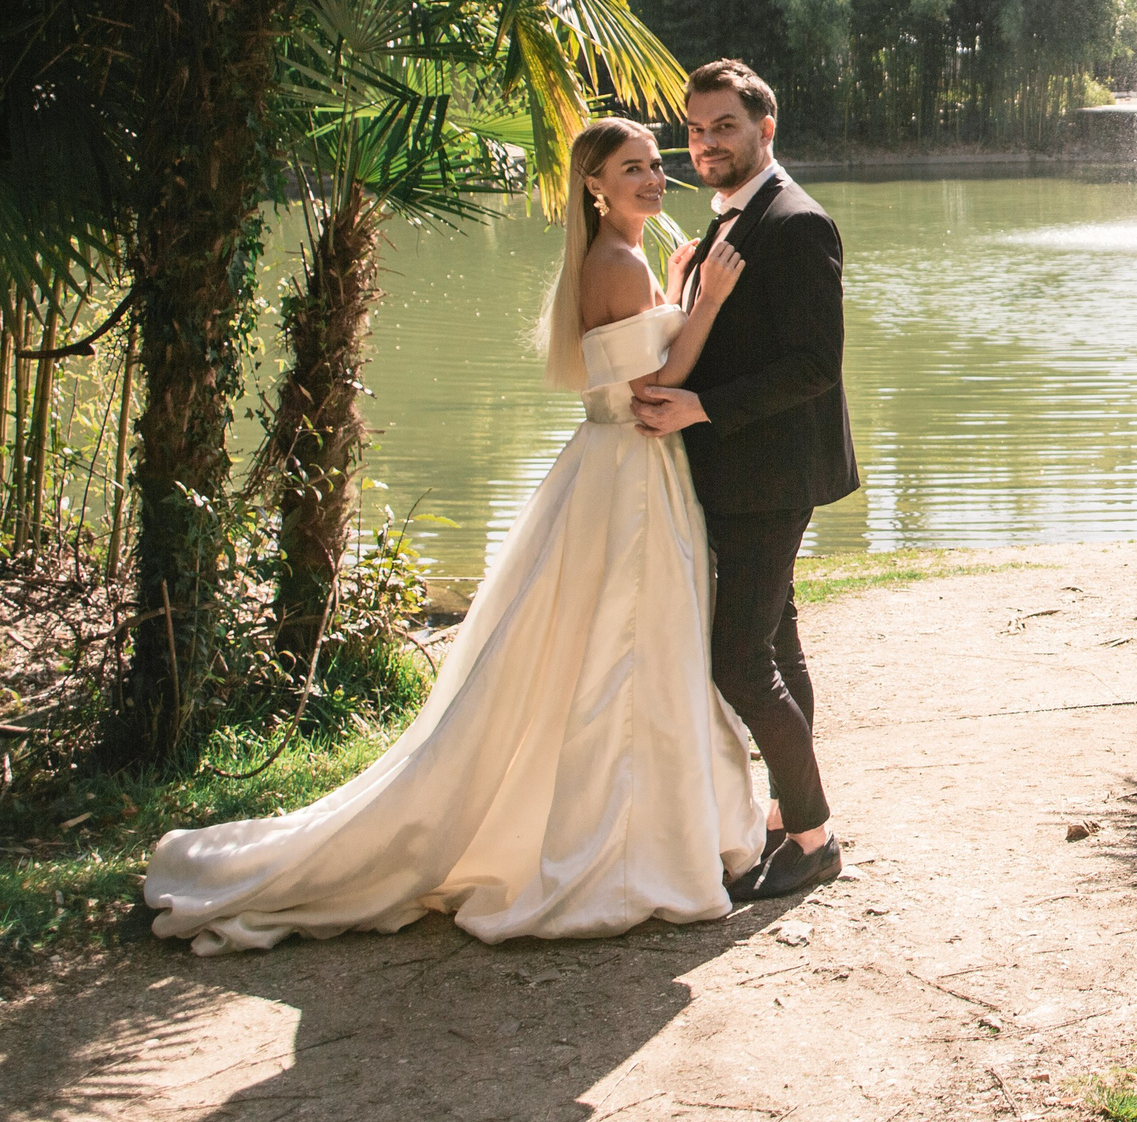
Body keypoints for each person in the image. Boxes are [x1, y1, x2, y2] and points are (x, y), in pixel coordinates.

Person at [145, 118, 766, 952]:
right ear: (596, 185)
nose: (655, 179)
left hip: (629, 473)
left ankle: (648, 829)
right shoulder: (615, 261)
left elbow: (641, 354)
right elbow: (657, 387)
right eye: (634, 169)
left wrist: (682, 287)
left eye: (658, 165)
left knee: (628, 649)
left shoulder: (632, 255)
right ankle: (620, 848)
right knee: (627, 646)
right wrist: (711, 301)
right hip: (627, 478)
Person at [632, 59, 858, 901]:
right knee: (777, 645)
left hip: (771, 473)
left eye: (723, 125)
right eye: (694, 128)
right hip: (739, 472)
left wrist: (700, 407)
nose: (704, 142)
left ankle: (814, 836)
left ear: (766, 129)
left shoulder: (796, 222)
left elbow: (813, 364)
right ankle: (784, 820)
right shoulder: (732, 221)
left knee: (737, 659)